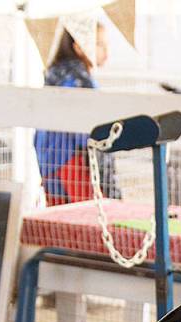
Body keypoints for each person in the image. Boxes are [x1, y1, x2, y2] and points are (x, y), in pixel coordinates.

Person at [33, 26, 121, 206]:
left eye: (106, 44)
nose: (106, 51)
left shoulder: (54, 78)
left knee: (60, 221)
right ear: (78, 47)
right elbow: (93, 135)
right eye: (99, 44)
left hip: (50, 164)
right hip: (76, 164)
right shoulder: (81, 83)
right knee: (90, 220)